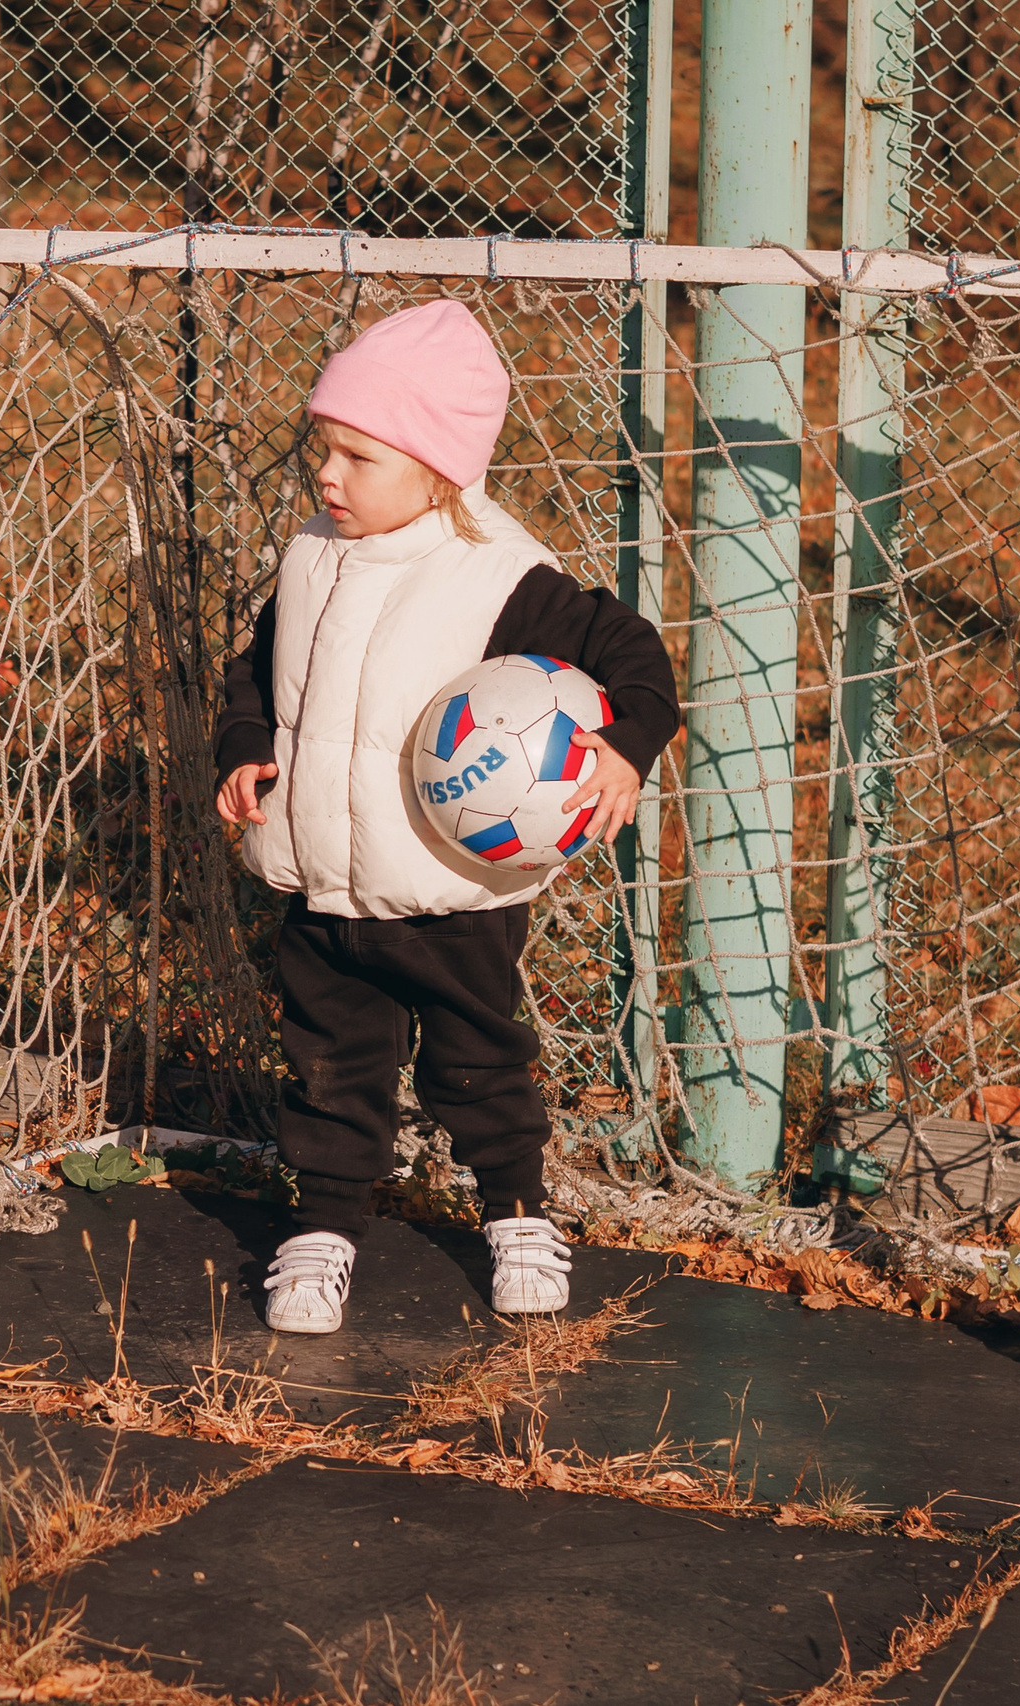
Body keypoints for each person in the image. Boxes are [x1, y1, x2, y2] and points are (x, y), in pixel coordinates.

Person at [211, 298, 680, 1335]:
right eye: (320, 449)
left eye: (356, 457)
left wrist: (627, 747)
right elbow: (255, 670)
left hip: (449, 896)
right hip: (324, 879)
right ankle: (325, 1229)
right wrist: (245, 746)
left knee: (477, 1064)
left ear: (437, 468)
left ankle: (516, 1213)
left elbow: (634, 653)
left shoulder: (499, 577)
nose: (325, 475)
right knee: (331, 1067)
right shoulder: (313, 554)